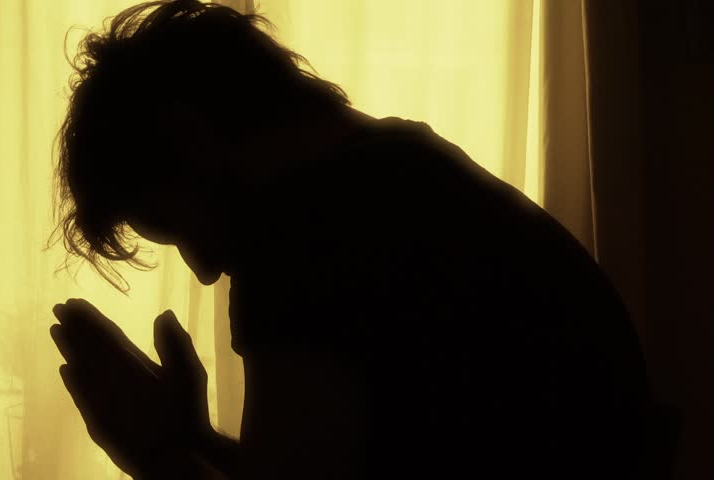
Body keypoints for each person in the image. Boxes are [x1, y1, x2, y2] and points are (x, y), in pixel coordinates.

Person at [48, 1, 651, 478]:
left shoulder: (311, 234)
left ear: (193, 140)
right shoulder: (413, 179)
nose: (204, 269)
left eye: (180, 227)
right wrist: (197, 441)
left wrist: (157, 456)